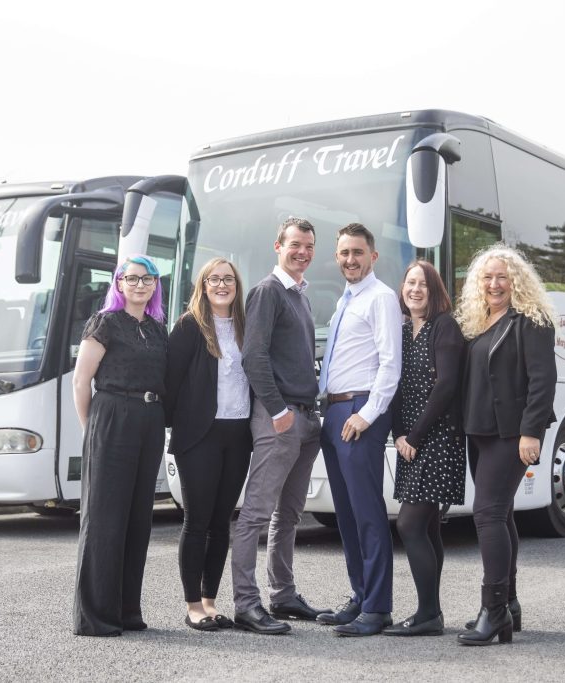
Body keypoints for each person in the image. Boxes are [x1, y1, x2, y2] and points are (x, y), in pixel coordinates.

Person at [454, 243, 557, 646]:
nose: (494, 284)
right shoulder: (478, 322)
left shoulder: (532, 320)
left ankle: (493, 609)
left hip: (511, 434)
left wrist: (532, 432)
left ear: (516, 281)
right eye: (487, 277)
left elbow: (542, 381)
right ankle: (508, 604)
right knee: (502, 513)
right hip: (479, 432)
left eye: (502, 277)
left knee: (487, 513)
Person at [232, 217, 330, 634]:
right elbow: (253, 356)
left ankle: (283, 595)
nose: (302, 252)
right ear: (278, 246)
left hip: (306, 418)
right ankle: (246, 604)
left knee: (289, 514)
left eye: (308, 246)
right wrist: (277, 410)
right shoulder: (267, 291)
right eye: (295, 245)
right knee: (256, 513)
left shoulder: (300, 297)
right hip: (280, 417)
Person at [71, 254, 168, 637]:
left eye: (148, 279)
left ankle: (127, 610)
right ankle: (96, 616)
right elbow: (81, 382)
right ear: (119, 283)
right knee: (104, 519)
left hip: (150, 418)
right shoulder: (105, 322)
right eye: (132, 278)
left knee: (137, 518)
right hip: (112, 415)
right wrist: (92, 430)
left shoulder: (158, 329)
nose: (140, 285)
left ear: (156, 284)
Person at [316, 223, 402, 637]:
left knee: (367, 512)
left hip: (359, 409)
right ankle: (361, 595)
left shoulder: (381, 298)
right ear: (337, 257)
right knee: (346, 514)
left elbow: (390, 363)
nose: (350, 260)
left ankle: (378, 607)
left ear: (373, 256)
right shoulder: (345, 300)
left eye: (358, 252)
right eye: (344, 253)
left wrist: (367, 414)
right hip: (335, 411)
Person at [166, 258, 253, 632]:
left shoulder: (246, 326)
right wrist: (177, 428)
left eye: (228, 279)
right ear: (203, 286)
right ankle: (192, 605)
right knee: (197, 520)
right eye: (214, 279)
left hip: (238, 435)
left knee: (221, 521)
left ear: (236, 286)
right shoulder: (189, 326)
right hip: (199, 435)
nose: (222, 285)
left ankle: (210, 601)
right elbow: (170, 381)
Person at [382, 260, 466, 637]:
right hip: (410, 441)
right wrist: (399, 434)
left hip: (438, 439)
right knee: (428, 526)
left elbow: (446, 386)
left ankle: (428, 613)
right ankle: (431, 612)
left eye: (423, 284)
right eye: (410, 283)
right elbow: (395, 387)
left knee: (410, 523)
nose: (415, 290)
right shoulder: (402, 331)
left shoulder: (444, 326)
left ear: (435, 291)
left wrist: (414, 437)